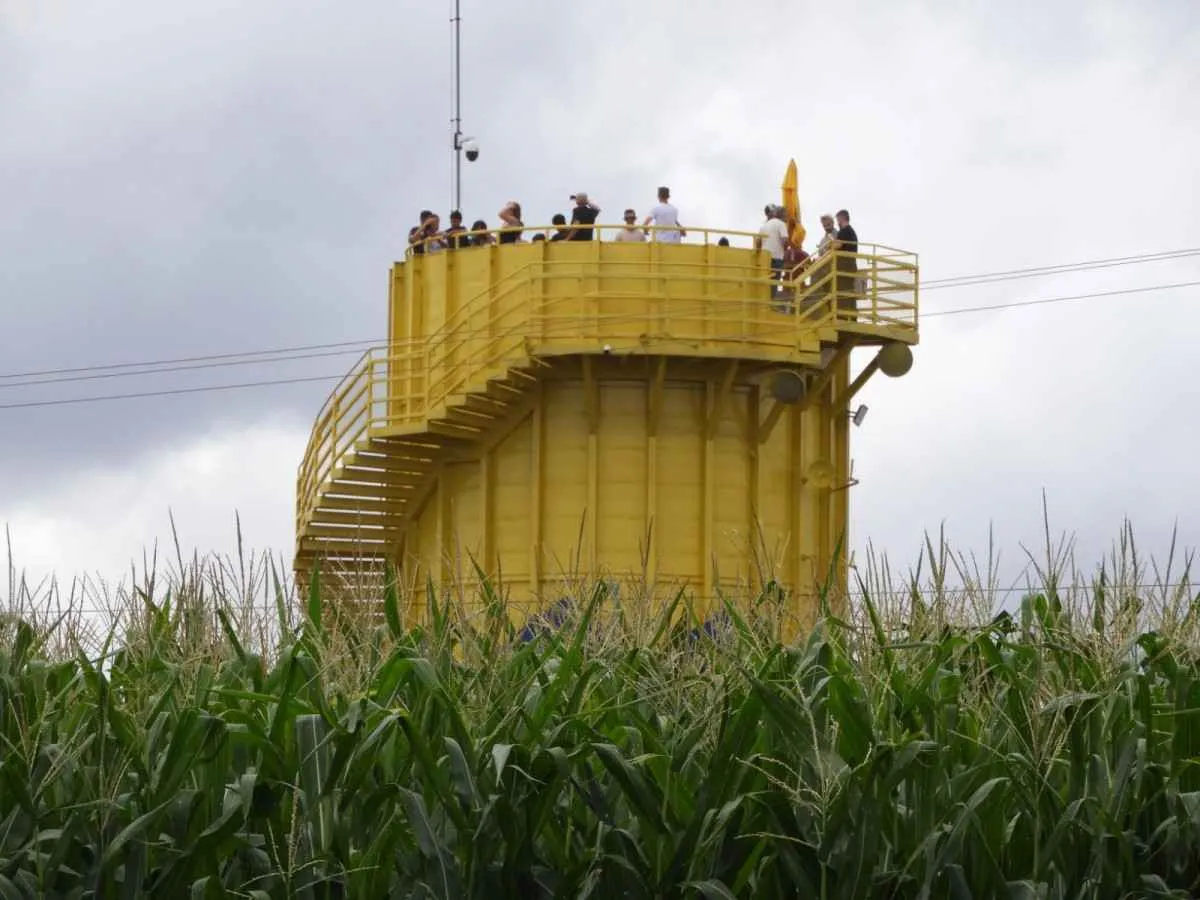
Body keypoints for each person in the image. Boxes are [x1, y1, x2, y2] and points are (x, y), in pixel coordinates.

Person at [755, 204, 790, 287]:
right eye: (786, 215)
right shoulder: (781, 224)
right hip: (776, 259)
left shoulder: (764, 226)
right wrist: (784, 251)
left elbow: (758, 243)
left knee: (764, 286)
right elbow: (785, 240)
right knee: (773, 285)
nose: (787, 217)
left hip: (764, 259)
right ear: (782, 215)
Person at [833, 209, 859, 307]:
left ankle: (844, 315)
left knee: (842, 293)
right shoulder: (851, 231)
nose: (837, 222)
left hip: (844, 266)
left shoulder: (844, 231)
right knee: (848, 293)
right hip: (850, 265)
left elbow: (837, 246)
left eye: (838, 219)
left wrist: (830, 244)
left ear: (842, 218)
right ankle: (849, 316)